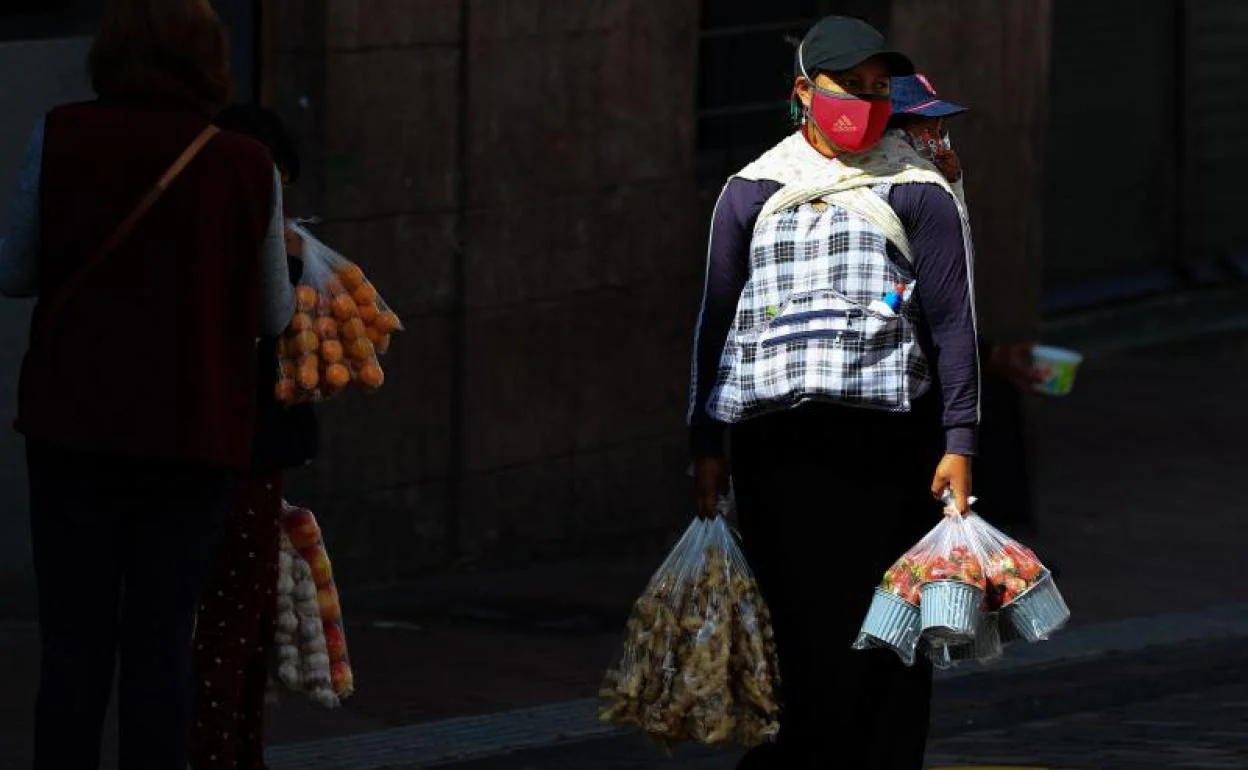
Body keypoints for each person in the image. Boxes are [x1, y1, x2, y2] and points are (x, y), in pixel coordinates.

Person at [0, 1, 295, 767]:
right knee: (162, 642)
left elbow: (13, 270)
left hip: (73, 430)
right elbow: (273, 312)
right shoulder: (242, 162)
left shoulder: (61, 133)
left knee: (73, 644)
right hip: (190, 435)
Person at [687, 16, 979, 769]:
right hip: (779, 450)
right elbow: (716, 320)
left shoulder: (918, 192)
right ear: (803, 92)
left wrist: (959, 444)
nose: (868, 103)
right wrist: (704, 445)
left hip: (891, 445)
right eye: (850, 87)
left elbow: (951, 323)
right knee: (806, 632)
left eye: (880, 89)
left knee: (889, 633)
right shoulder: (751, 191)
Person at [189, 103, 317, 770]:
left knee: (242, 620)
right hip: (241, 447)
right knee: (233, 622)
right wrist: (293, 268)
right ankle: (224, 755)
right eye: (279, 182)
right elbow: (273, 316)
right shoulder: (254, 234)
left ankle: (237, 752)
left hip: (216, 444)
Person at [888, 73, 1040, 535]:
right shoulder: (887, 200)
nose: (937, 141)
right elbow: (900, 302)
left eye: (939, 130)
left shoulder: (935, 196)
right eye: (924, 131)